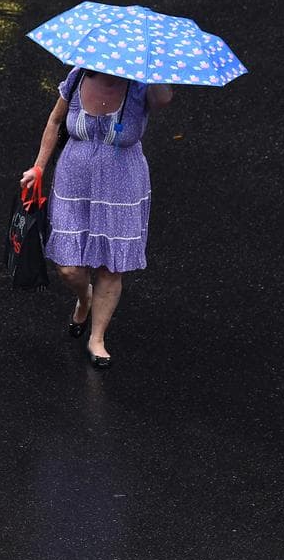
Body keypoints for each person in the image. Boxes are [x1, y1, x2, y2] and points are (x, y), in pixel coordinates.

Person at [19, 67, 173, 368]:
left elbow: (164, 100)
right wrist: (38, 167)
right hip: (74, 181)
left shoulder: (143, 84)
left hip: (122, 184)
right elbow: (54, 120)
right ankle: (85, 297)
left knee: (110, 265)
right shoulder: (77, 76)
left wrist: (151, 71)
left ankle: (97, 337)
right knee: (68, 268)